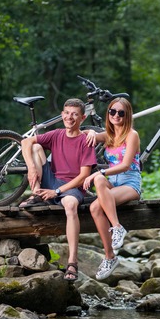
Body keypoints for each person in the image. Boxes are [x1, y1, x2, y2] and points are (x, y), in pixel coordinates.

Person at [19, 98, 97, 281]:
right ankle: (36, 194)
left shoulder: (85, 140)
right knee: (36, 146)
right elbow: (25, 143)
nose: (70, 117)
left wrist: (58, 192)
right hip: (50, 180)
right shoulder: (56, 134)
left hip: (71, 186)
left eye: (75, 114)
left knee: (70, 206)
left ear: (82, 118)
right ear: (62, 114)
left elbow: (83, 176)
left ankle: (72, 262)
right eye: (67, 113)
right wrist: (31, 167)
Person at [83, 97, 141, 280]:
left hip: (129, 182)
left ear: (127, 115)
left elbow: (125, 165)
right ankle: (111, 256)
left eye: (120, 113)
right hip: (111, 183)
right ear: (108, 113)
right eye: (112, 111)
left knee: (94, 204)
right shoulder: (108, 135)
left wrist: (96, 173)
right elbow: (88, 135)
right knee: (99, 182)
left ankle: (116, 229)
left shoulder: (132, 135)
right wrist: (91, 132)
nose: (116, 115)